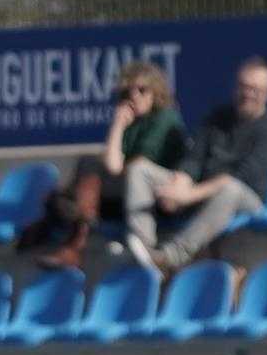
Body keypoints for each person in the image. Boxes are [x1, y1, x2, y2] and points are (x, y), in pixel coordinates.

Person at [125, 58, 267, 274]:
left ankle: (170, 257)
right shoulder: (217, 119)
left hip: (247, 199)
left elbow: (239, 177)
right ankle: (145, 249)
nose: (247, 93)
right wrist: (179, 184)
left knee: (229, 189)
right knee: (140, 169)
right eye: (243, 86)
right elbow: (194, 158)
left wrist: (188, 195)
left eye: (255, 89)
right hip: (202, 190)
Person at [21, 62, 185, 272]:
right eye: (128, 91)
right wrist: (117, 125)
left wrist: (117, 128)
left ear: (156, 92)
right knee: (68, 191)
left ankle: (73, 242)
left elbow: (121, 167)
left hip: (153, 199)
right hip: (124, 195)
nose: (134, 96)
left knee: (86, 172)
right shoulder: (131, 122)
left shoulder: (165, 118)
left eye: (142, 90)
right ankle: (71, 231)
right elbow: (115, 166)